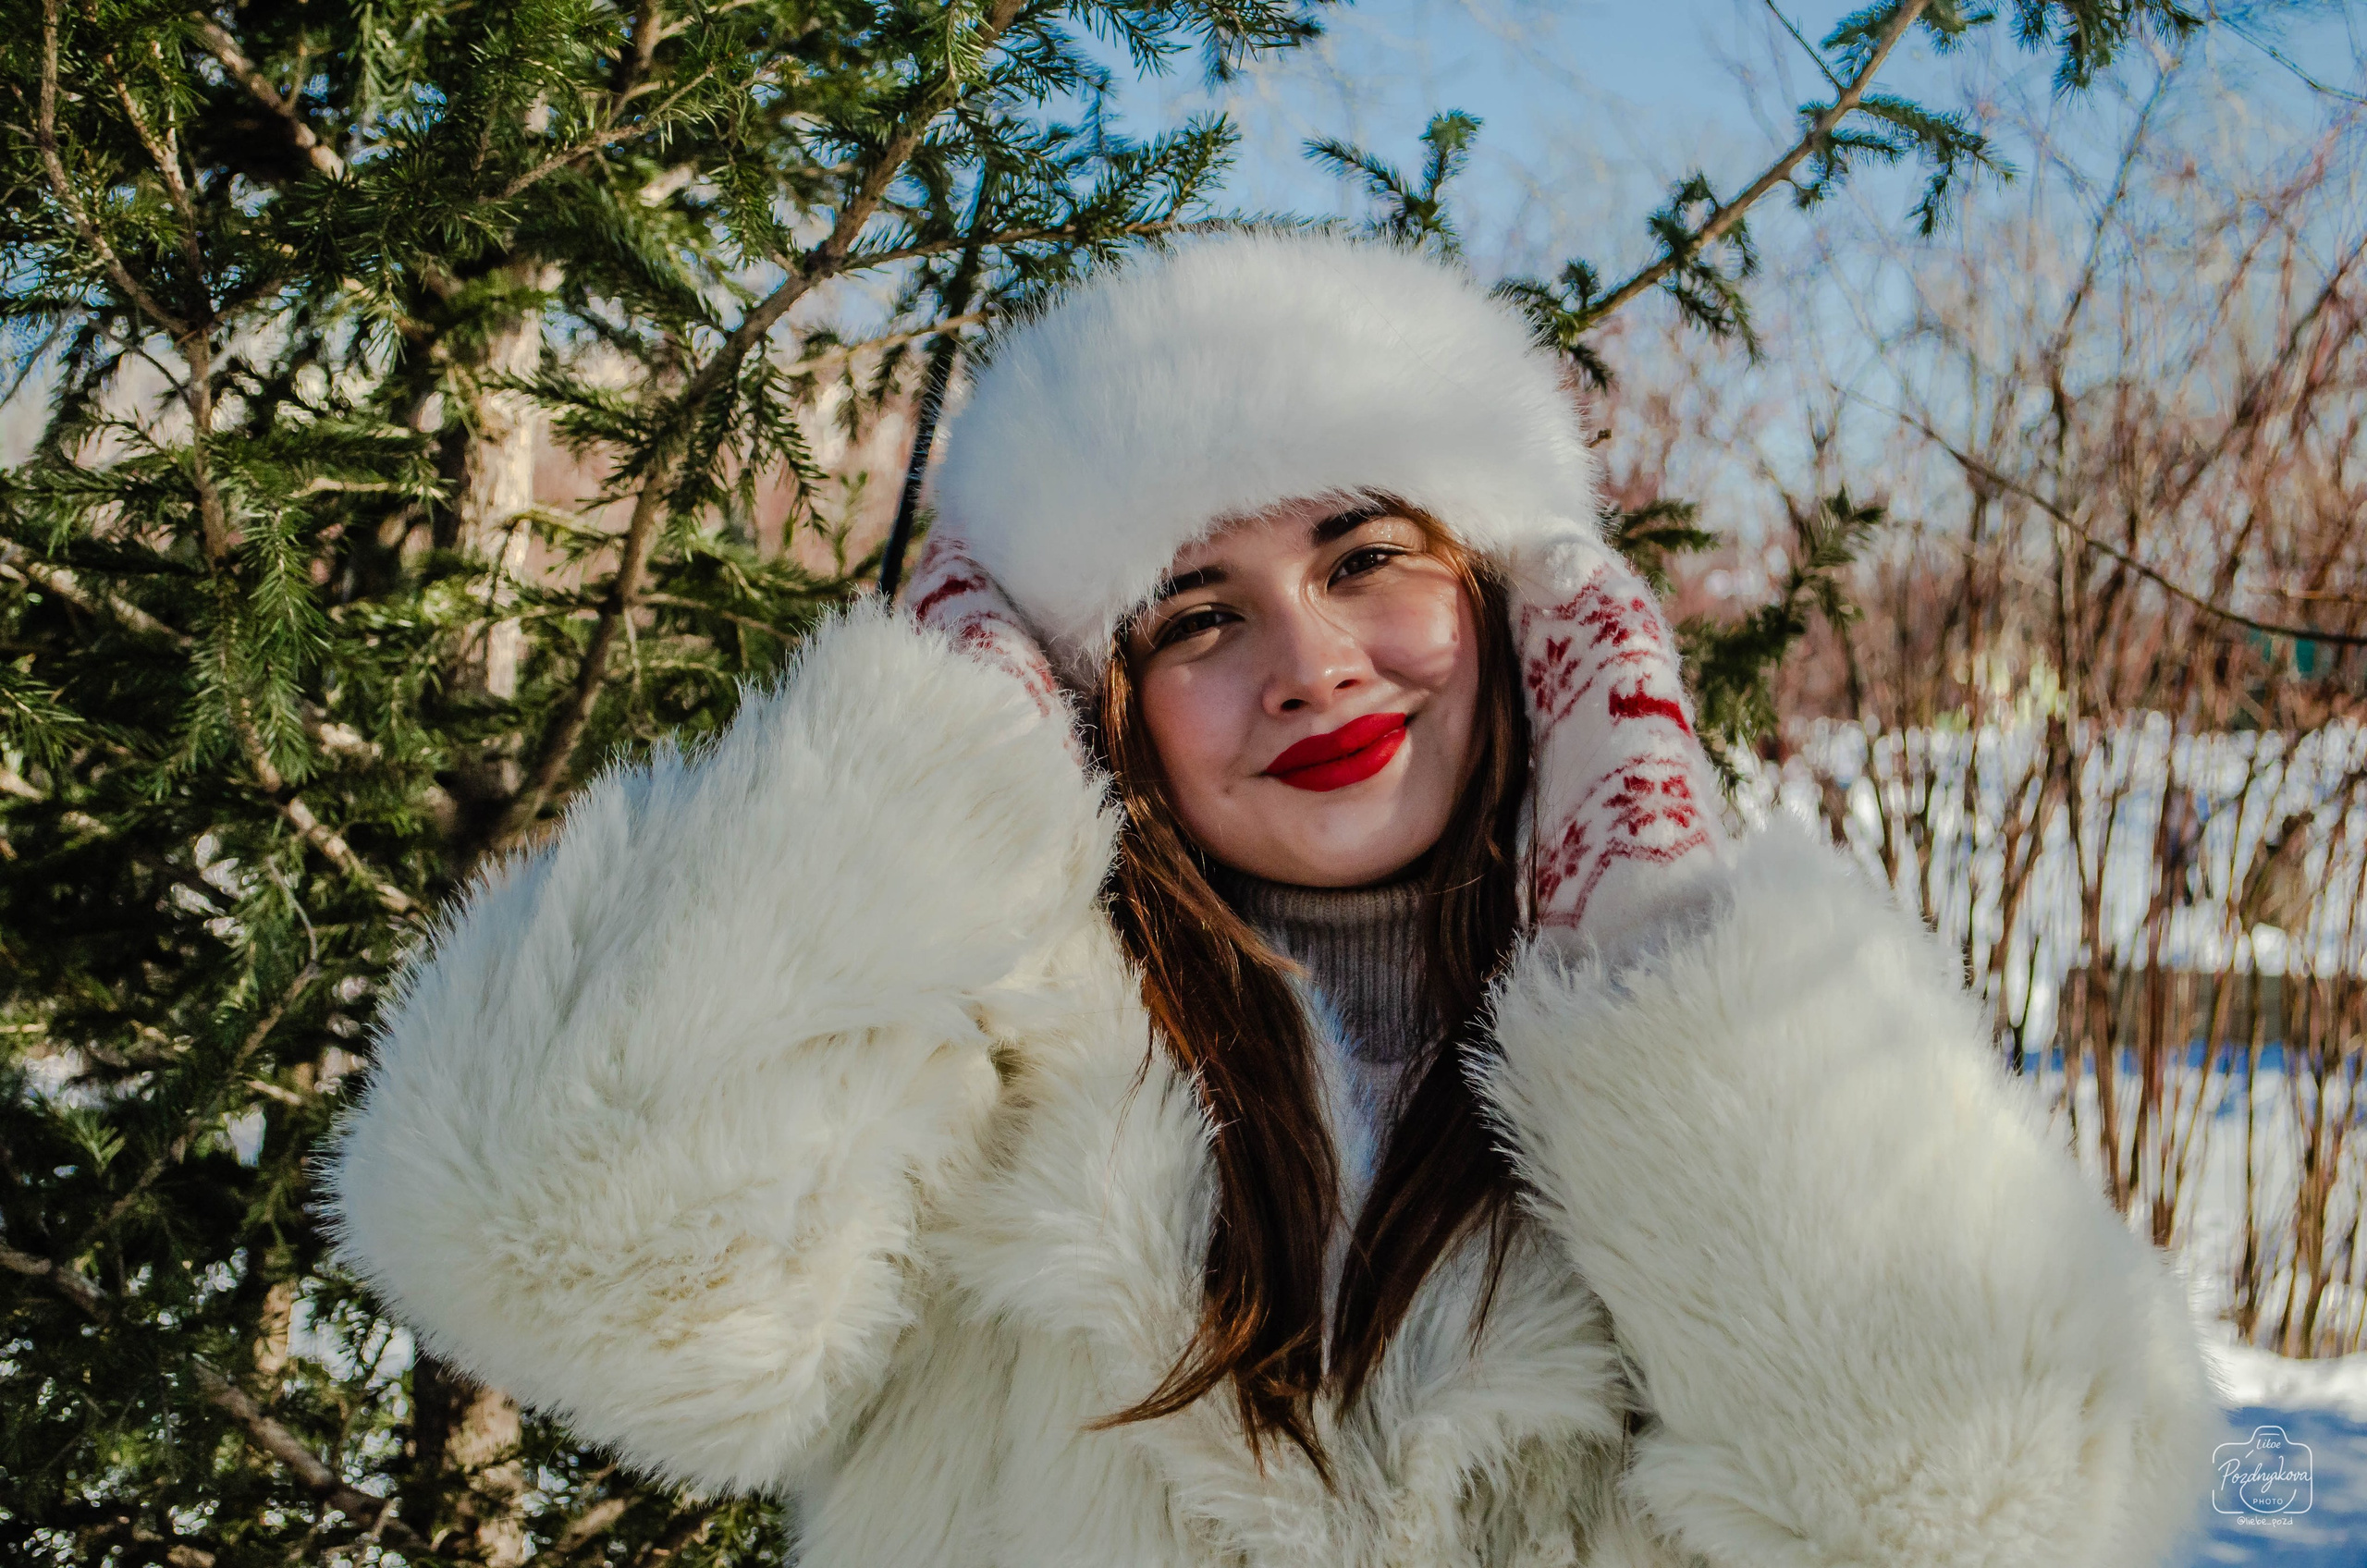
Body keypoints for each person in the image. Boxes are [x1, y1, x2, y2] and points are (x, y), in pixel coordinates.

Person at [328, 232, 2210, 1567]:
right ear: (1093, 693)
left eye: (1366, 556)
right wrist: (906, 788)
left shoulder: (1753, 1039)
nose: (1307, 665)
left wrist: (1661, 947)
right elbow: (568, 1256)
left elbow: (1994, 1516)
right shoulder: (979, 1047)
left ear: (1516, 596)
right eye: (1195, 614)